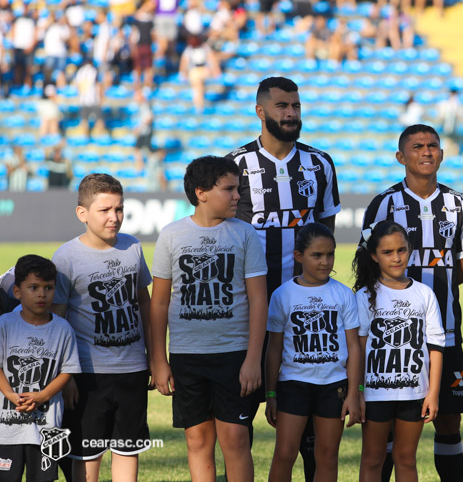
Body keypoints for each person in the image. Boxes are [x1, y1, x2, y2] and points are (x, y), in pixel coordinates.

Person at [227, 76, 341, 482]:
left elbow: (324, 235)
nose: (290, 113)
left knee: (309, 427)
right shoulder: (235, 165)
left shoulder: (320, 163)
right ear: (260, 112)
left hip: (304, 315)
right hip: (243, 314)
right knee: (236, 423)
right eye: (281, 106)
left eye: (295, 106)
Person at [361, 124, 463, 482]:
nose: (426, 152)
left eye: (433, 146)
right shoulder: (384, 204)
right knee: (388, 425)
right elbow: (366, 266)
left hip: (444, 330)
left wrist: (427, 293)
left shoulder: (458, 203)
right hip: (392, 338)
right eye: (417, 147)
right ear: (401, 157)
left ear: (442, 154)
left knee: (448, 418)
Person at [150, 156, 268, 482]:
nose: (237, 196)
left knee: (235, 438)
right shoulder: (172, 235)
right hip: (187, 357)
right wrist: (159, 360)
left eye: (238, 189)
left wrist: (252, 360)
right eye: (228, 189)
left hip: (234, 356)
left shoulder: (245, 235)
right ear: (201, 192)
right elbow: (159, 304)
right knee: (198, 439)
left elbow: (259, 299)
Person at [51, 174, 153, 482]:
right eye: (105, 210)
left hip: (133, 370)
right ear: (82, 213)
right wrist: (64, 377)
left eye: (119, 209)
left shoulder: (133, 247)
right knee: (86, 456)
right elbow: (57, 322)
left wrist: (153, 357)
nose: (115, 217)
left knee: (127, 451)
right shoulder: (66, 257)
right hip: (87, 376)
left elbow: (144, 303)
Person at [265, 223, 362, 481]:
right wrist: (271, 393)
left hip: (333, 385)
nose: (325, 262)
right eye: (316, 255)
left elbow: (354, 346)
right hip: (293, 384)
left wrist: (354, 393)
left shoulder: (343, 294)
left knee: (328, 455)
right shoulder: (282, 294)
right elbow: (273, 349)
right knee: (285, 454)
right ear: (299, 256)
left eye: (330, 254)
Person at [353, 221, 445, 482]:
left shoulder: (424, 293)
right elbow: (358, 349)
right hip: (374, 394)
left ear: (410, 250)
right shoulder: (364, 296)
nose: (396, 258)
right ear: (374, 256)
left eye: (401, 250)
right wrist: (358, 392)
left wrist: (433, 393)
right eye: (387, 252)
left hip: (413, 392)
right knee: (372, 459)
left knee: (406, 458)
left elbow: (436, 347)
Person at [0, 255, 81, 482]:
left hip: (46, 429)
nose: (42, 294)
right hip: (6, 428)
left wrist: (43, 395)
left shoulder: (63, 328)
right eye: (33, 287)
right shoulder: (5, 324)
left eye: (48, 288)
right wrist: (10, 395)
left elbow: (69, 369)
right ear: (17, 292)